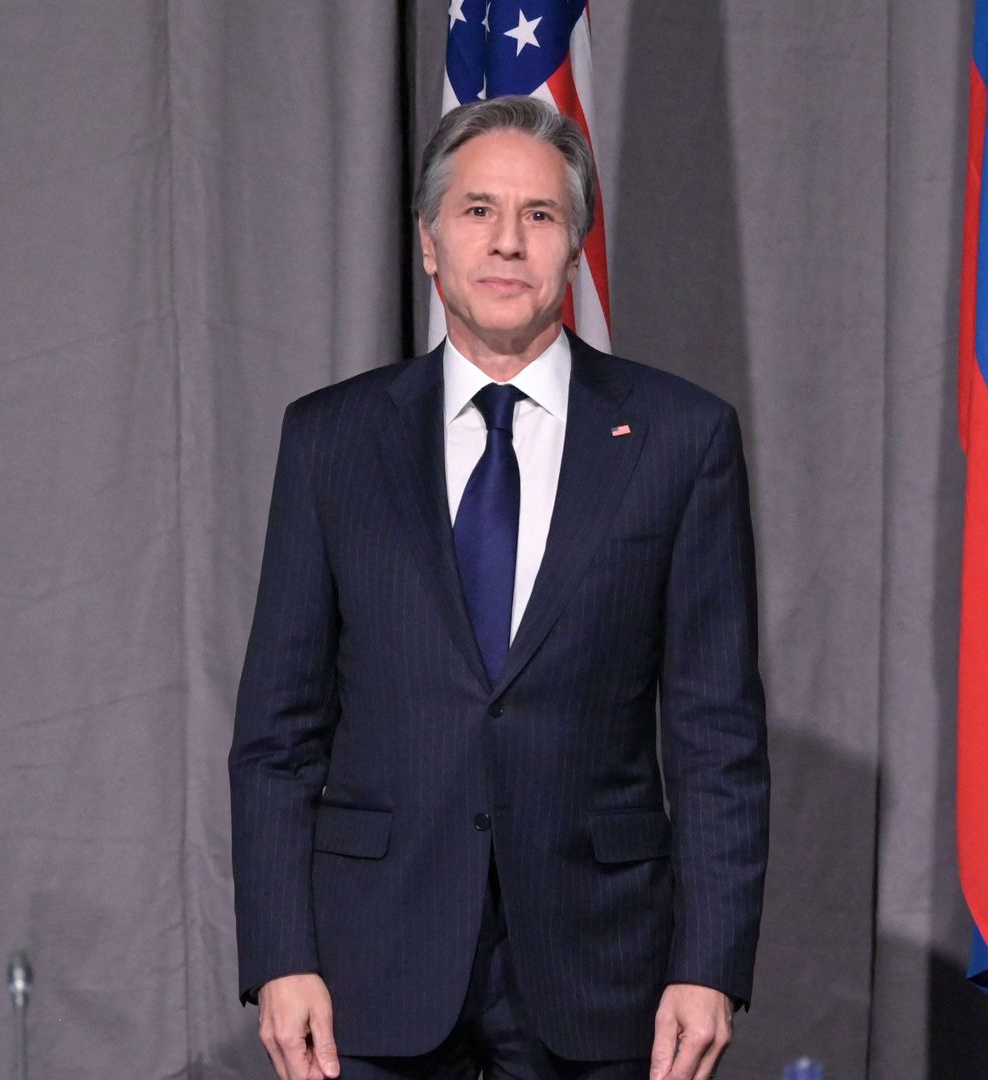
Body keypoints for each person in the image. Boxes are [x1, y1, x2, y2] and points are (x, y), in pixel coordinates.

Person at [229, 96, 768, 1080]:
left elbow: (716, 739)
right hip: (370, 969)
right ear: (431, 243)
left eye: (540, 216)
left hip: (605, 973)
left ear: (576, 249)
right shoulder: (330, 441)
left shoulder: (680, 440)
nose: (508, 242)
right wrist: (280, 956)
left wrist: (710, 965)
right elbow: (278, 735)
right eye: (478, 211)